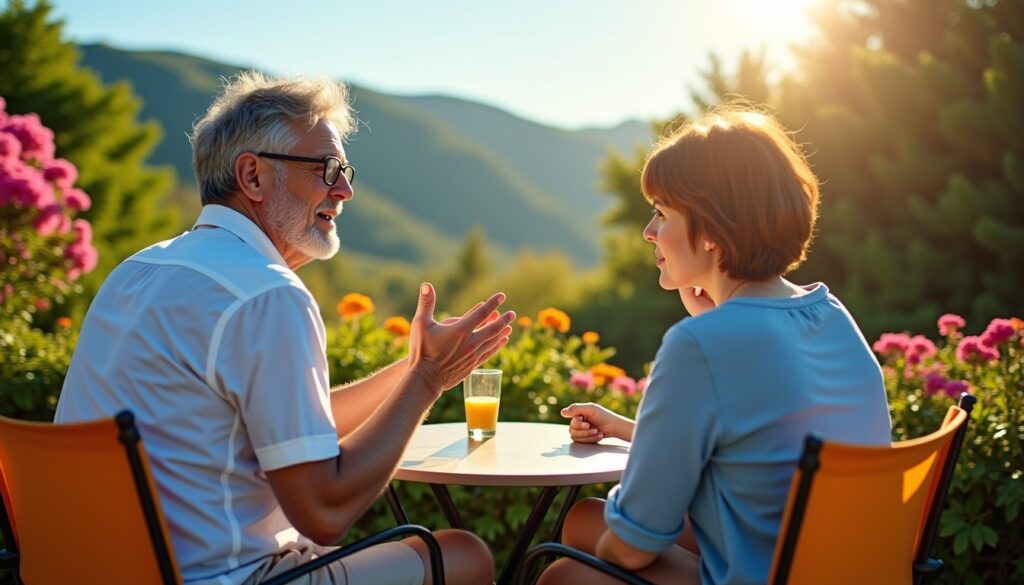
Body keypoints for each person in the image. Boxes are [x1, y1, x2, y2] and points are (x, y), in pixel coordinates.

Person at [55, 71, 513, 585]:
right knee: (463, 555)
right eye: (326, 168)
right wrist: (426, 381)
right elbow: (324, 509)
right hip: (227, 579)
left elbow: (300, 427)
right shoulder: (266, 294)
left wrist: (415, 367)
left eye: (344, 170)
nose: (345, 190)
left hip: (94, 569)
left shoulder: (138, 270)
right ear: (252, 177)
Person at [541, 105, 891, 585]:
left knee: (563, 575)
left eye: (661, 214)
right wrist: (631, 430)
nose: (648, 232)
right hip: (839, 568)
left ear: (709, 232)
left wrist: (609, 547)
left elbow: (633, 549)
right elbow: (765, 436)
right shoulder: (830, 314)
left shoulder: (700, 346)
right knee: (584, 519)